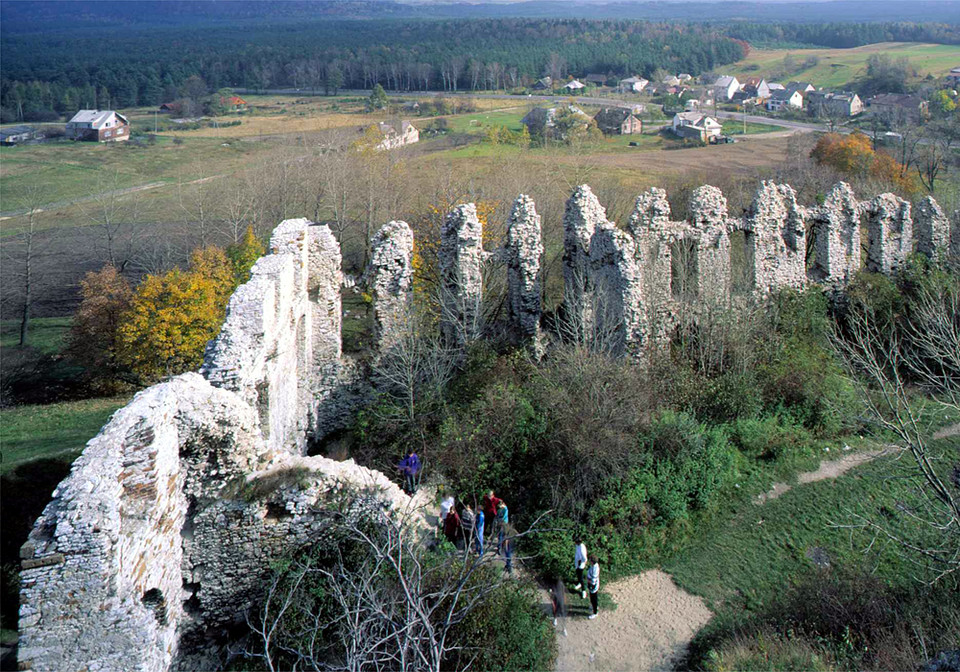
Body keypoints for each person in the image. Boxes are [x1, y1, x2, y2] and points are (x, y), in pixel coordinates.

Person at [586, 554, 600, 619]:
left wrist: (591, 584)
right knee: (592, 597)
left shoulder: (595, 568)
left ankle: (595, 612)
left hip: (593, 585)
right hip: (591, 583)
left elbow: (594, 578)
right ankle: (594, 606)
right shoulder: (593, 566)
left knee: (594, 598)